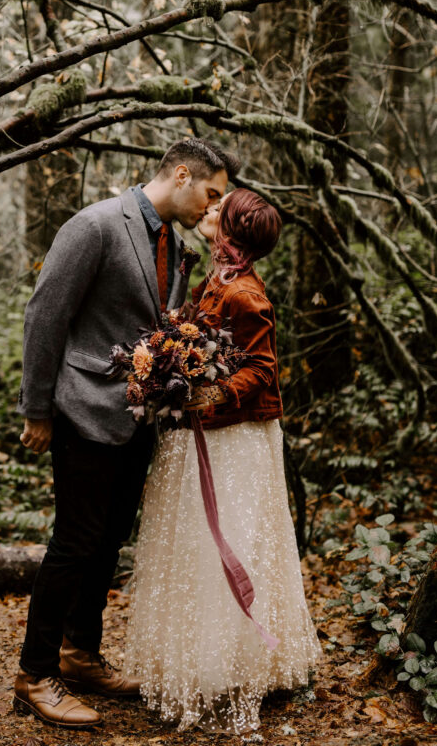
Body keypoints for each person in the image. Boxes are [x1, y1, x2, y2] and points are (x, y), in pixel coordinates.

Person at [13, 138, 239, 729]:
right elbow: (45, 314)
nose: (211, 207)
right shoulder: (94, 226)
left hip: (140, 420)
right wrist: (36, 408)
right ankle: (35, 675)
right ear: (182, 174)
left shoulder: (175, 243)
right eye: (211, 193)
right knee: (75, 543)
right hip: (82, 410)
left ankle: (80, 653)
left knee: (109, 543)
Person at [123, 188, 322, 735]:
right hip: (199, 433)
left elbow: (261, 368)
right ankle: (196, 656)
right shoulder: (215, 281)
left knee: (232, 538)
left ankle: (234, 663)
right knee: (190, 546)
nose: (207, 213)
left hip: (237, 437)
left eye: (218, 210)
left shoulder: (247, 295)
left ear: (232, 231)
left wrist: (209, 395)